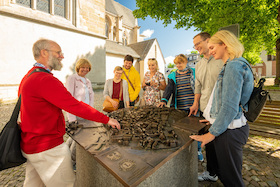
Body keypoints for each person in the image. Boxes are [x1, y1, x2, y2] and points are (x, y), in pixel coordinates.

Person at [18, 39, 120, 187]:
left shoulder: (28, 76)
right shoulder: (45, 79)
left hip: (31, 145)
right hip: (48, 149)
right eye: (58, 52)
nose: (62, 56)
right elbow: (74, 105)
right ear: (44, 53)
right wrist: (106, 119)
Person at [190, 30, 254, 187]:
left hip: (230, 130)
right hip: (228, 126)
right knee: (228, 175)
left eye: (212, 47)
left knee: (231, 179)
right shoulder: (235, 63)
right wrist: (213, 118)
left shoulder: (233, 66)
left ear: (224, 44)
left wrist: (211, 133)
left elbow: (230, 107)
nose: (210, 51)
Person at [189, 32, 224, 174]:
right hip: (205, 110)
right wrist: (195, 103)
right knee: (209, 144)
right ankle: (212, 173)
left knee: (223, 144)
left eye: (198, 44)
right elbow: (198, 86)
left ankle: (226, 174)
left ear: (208, 40)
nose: (196, 47)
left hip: (221, 110)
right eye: (194, 45)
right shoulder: (199, 65)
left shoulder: (222, 59)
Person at [64, 58, 94, 168]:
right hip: (76, 115)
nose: (85, 69)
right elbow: (68, 99)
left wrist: (91, 114)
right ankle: (71, 164)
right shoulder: (72, 79)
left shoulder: (88, 81)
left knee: (73, 138)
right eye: (83, 67)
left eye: (87, 68)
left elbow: (91, 98)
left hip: (86, 114)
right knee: (79, 139)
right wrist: (72, 119)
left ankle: (64, 159)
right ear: (78, 68)